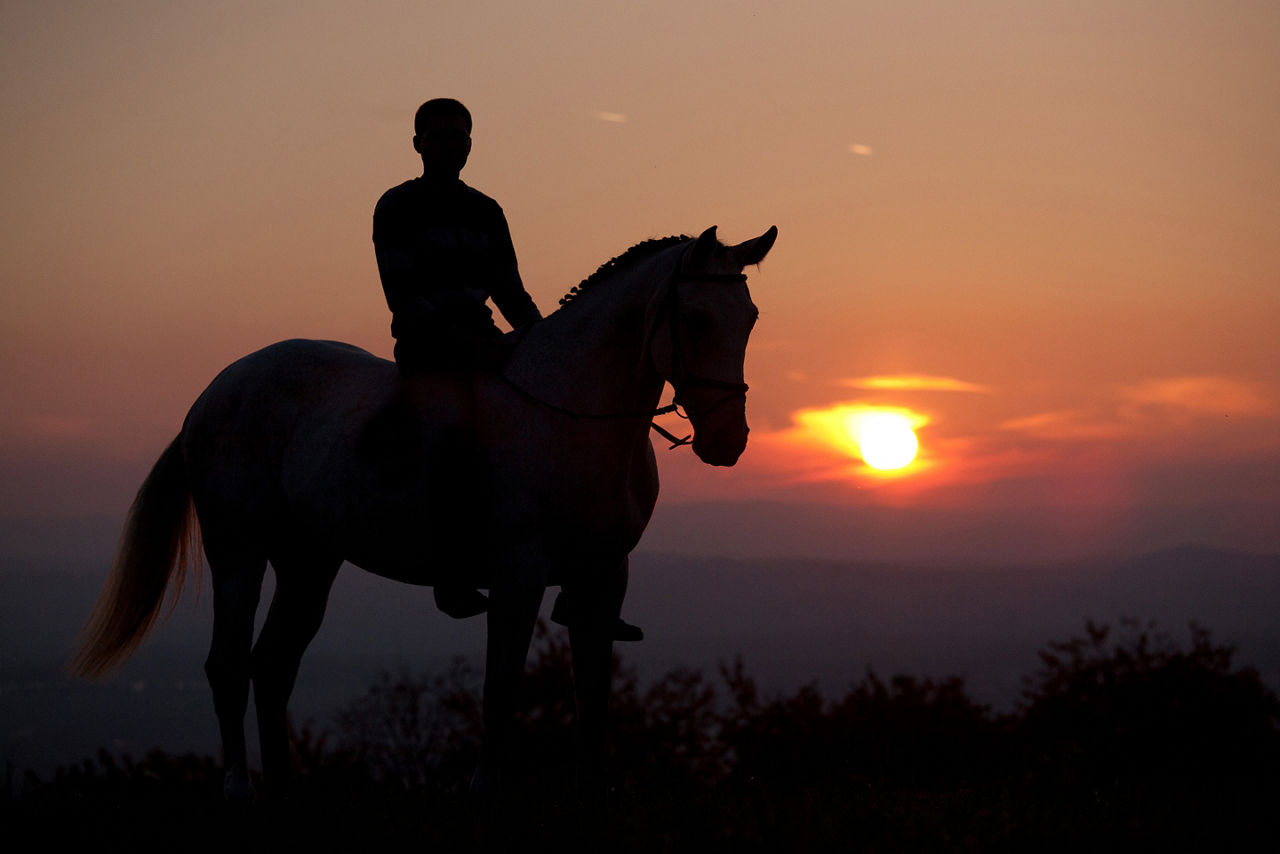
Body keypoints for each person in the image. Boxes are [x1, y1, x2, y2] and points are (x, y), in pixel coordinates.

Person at [373, 98, 641, 641]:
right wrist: (463, 343)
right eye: (440, 135)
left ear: (472, 144)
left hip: (482, 339)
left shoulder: (487, 211)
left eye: (461, 136)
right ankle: (450, 575)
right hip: (429, 347)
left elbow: (510, 291)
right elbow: (403, 296)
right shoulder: (397, 206)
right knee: (452, 433)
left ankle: (581, 580)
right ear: (418, 142)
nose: (452, 144)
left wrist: (546, 343)